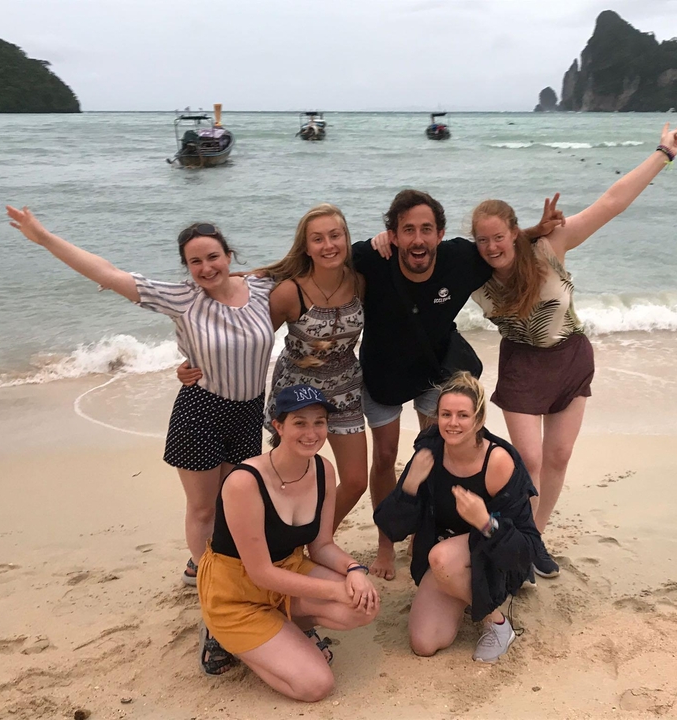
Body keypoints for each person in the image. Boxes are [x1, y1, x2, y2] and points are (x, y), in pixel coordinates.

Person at [6, 208, 274, 587]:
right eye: (195, 262)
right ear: (186, 267)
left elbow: (311, 265)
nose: (206, 267)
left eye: (213, 256)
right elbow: (108, 273)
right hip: (202, 412)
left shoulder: (262, 289)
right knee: (203, 510)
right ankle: (210, 584)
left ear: (229, 256)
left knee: (234, 503)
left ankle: (208, 564)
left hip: (248, 413)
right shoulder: (182, 298)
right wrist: (45, 238)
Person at [467, 123, 677, 578]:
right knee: (528, 459)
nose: (491, 247)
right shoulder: (471, 273)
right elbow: (420, 258)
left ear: (514, 233)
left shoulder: (550, 247)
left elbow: (611, 203)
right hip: (522, 364)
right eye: (482, 240)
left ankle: (534, 538)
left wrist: (662, 153)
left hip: (570, 357)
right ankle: (514, 534)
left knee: (558, 456)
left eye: (498, 237)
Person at [353, 190, 560, 580]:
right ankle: (386, 543)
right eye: (407, 230)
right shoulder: (372, 256)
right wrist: (253, 278)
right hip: (382, 373)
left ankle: (422, 533)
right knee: (384, 457)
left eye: (426, 229)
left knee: (433, 454)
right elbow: (318, 261)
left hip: (434, 369)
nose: (418, 239)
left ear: (441, 234)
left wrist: (535, 231)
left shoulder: (460, 258)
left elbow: (497, 246)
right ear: (392, 235)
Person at [179, 204, 368, 532]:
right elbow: (247, 337)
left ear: (346, 238)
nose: (328, 245)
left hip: (346, 389)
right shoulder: (289, 292)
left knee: (355, 481)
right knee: (289, 481)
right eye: (318, 239)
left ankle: (317, 539)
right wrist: (194, 363)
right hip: (297, 392)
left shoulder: (360, 282)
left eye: (335, 236)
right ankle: (285, 542)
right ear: (306, 247)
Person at [198, 384, 379, 698]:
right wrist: (335, 589)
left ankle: (287, 627)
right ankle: (223, 634)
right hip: (236, 591)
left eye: (319, 422)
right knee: (315, 685)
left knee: (363, 606)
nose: (311, 433)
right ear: (278, 426)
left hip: (289, 570)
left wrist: (354, 570)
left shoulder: (322, 469)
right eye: (299, 422)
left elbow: (321, 546)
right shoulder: (244, 482)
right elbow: (261, 573)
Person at [373, 372, 541, 663]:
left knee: (441, 557)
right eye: (445, 414)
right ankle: (463, 590)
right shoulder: (429, 453)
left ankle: (498, 624)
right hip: (447, 560)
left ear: (478, 419)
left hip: (492, 556)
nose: (452, 423)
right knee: (424, 643)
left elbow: (525, 550)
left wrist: (485, 521)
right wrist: (409, 486)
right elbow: (392, 527)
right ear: (436, 417)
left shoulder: (498, 462)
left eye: (463, 415)